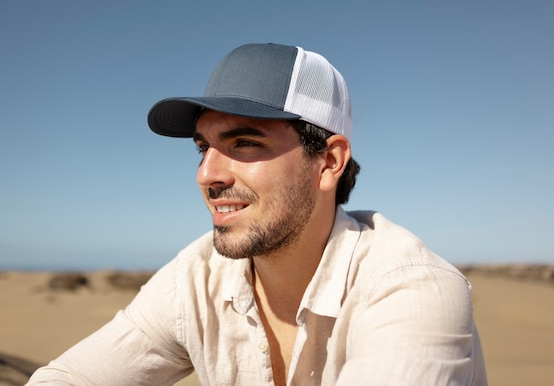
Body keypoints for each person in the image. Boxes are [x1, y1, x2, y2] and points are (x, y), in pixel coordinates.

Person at [26, 43, 488, 385]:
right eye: (204, 148)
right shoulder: (197, 276)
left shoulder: (412, 289)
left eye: (244, 143)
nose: (206, 175)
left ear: (328, 162)